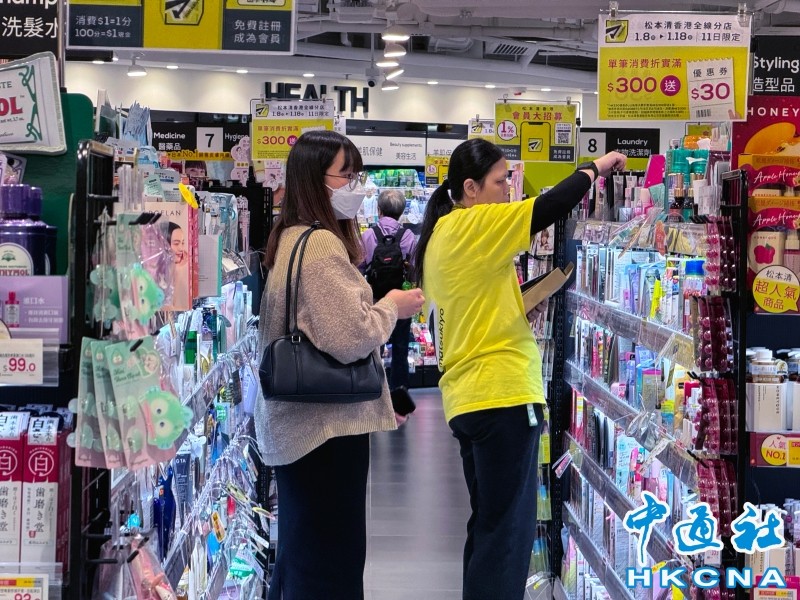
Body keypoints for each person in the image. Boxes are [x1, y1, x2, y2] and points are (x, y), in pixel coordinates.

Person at [414, 139, 626, 600]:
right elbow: (549, 206)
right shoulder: (475, 222)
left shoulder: (440, 237)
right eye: (499, 182)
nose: (507, 191)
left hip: (466, 397)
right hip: (503, 395)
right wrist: (596, 167)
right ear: (470, 188)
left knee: (490, 525)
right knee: (509, 533)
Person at [256, 130, 425, 600]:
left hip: (302, 427)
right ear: (315, 180)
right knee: (330, 566)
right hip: (323, 432)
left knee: (303, 557)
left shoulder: (291, 237)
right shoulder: (320, 246)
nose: (356, 186)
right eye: (346, 176)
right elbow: (350, 337)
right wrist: (391, 306)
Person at [360, 189, 418, 419]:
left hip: (375, 301)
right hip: (401, 302)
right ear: (401, 212)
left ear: (379, 209)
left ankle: (374, 392)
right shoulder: (408, 236)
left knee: (375, 346)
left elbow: (359, 268)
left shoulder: (369, 235)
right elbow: (414, 267)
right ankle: (399, 396)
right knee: (401, 347)